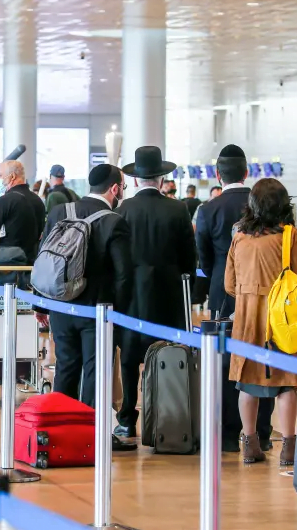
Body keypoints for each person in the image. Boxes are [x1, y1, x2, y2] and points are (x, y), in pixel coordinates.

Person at [36, 164, 135, 451]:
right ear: (114, 188)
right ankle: (91, 436)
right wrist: (121, 311)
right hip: (97, 310)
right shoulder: (114, 221)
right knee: (95, 370)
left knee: (66, 366)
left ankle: (58, 432)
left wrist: (41, 302)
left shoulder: (59, 213)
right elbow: (123, 274)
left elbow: (43, 256)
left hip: (61, 307)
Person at [224, 178, 297, 465]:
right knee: (287, 383)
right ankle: (289, 447)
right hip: (282, 320)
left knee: (247, 383)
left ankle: (248, 444)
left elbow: (229, 283)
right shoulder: (291, 237)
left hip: (248, 320)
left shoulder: (240, 237)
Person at [195, 144, 274, 453]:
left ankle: (230, 432)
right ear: (247, 173)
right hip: (265, 294)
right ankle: (262, 431)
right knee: (264, 358)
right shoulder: (263, 205)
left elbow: (203, 257)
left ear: (218, 175)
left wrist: (217, 277)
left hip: (222, 292)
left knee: (227, 362)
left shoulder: (208, 209)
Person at [114, 146, 196, 438]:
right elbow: (190, 257)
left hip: (131, 297)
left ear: (135, 180)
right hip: (168, 295)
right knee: (168, 355)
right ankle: (165, 417)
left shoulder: (122, 210)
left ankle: (127, 417)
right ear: (162, 179)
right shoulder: (178, 209)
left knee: (129, 359)